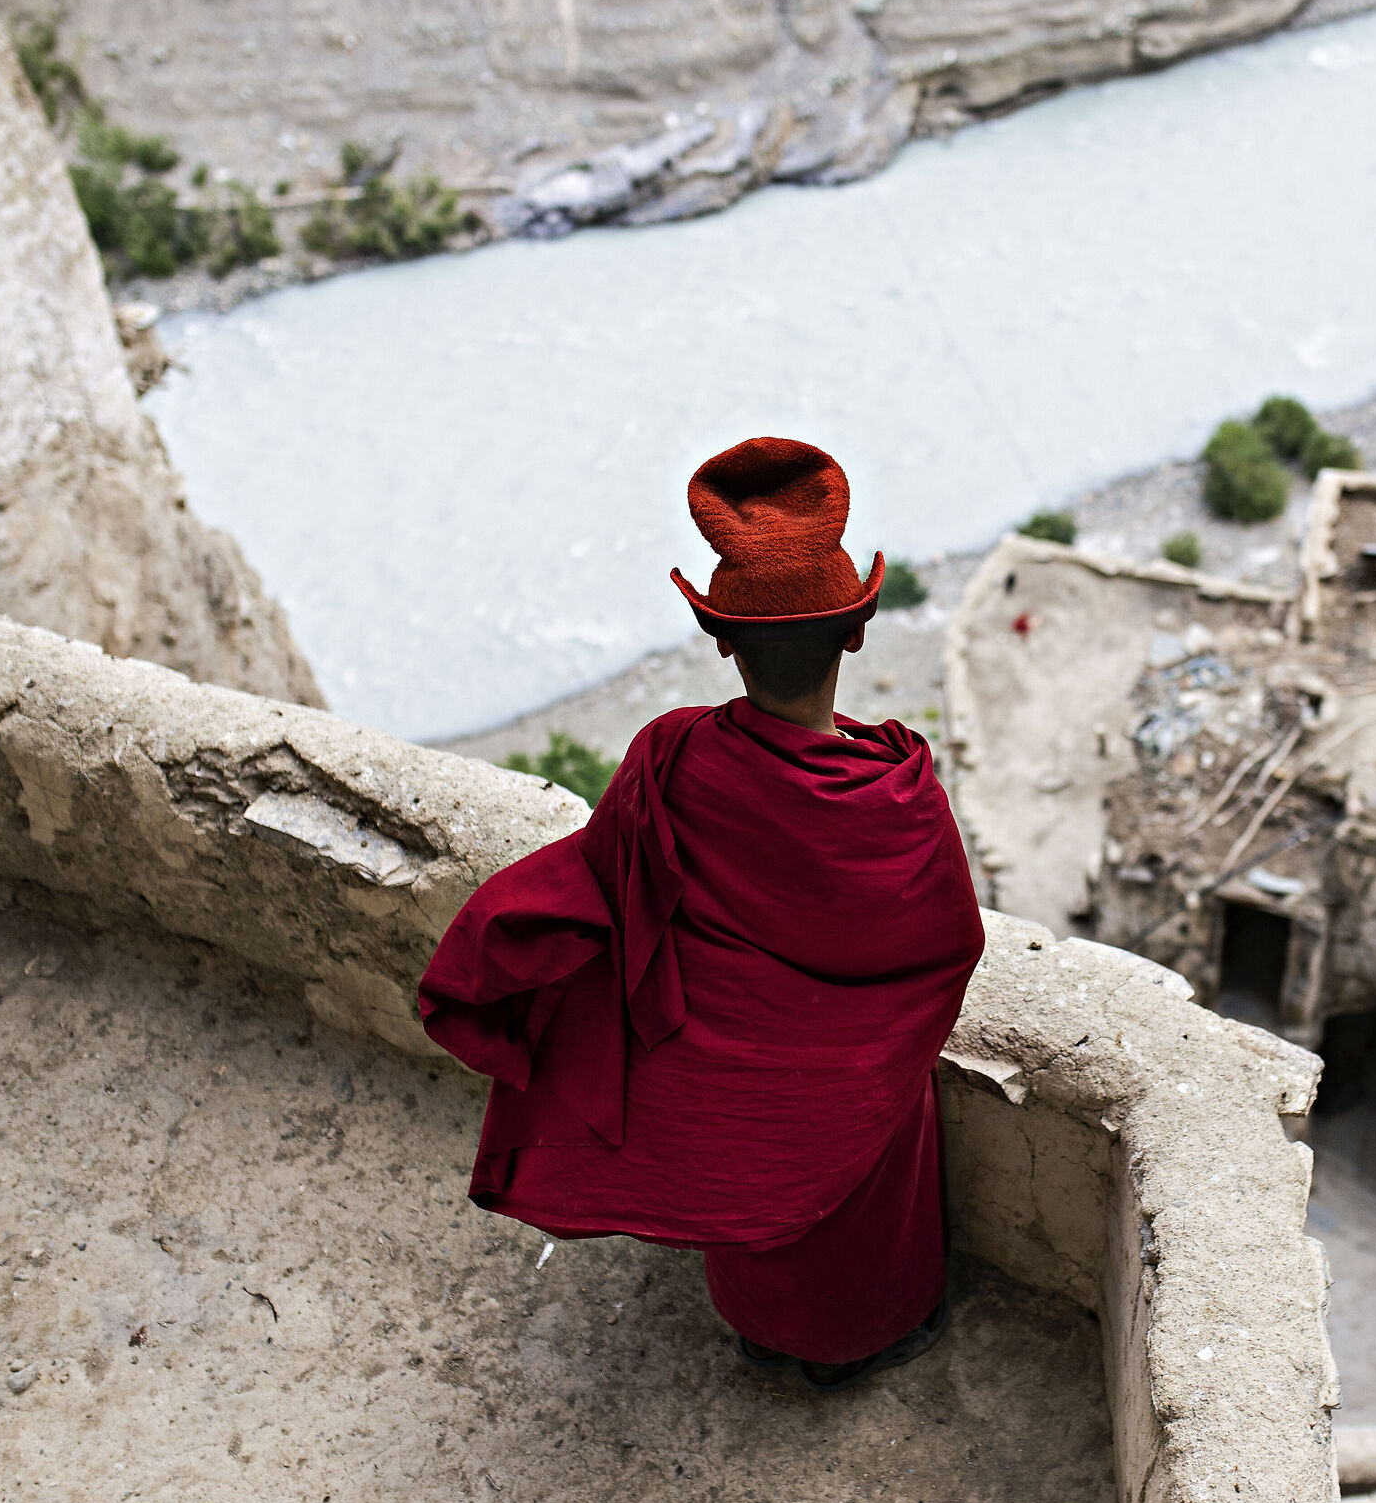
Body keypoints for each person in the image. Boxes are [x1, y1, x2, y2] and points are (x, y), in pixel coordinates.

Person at [417, 436, 985, 1392]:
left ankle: (764, 1332)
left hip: (724, 1062)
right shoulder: (899, 795)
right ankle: (872, 1336)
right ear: (856, 633)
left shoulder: (673, 755)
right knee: (862, 1174)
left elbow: (600, 879)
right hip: (854, 1076)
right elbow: (950, 950)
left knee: (742, 1155)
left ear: (719, 639)